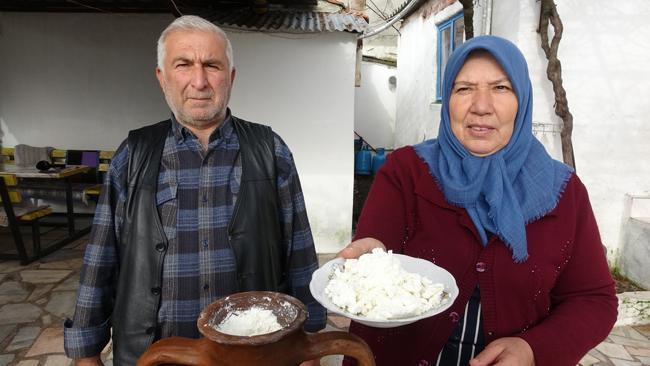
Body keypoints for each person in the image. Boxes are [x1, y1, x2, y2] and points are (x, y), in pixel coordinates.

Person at [339, 35, 618, 366]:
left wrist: (533, 349)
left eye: (500, 88)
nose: (481, 106)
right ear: (448, 100)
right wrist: (370, 259)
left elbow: (593, 299)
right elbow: (375, 246)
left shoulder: (564, 192)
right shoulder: (407, 172)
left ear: (522, 100)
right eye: (464, 88)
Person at [64, 15, 325, 365]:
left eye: (212, 65)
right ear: (162, 77)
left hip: (252, 355)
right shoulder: (133, 154)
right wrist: (86, 352)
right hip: (154, 356)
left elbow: (300, 255)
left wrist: (308, 348)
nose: (199, 81)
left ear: (230, 77)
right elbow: (101, 259)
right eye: (184, 64)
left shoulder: (270, 151)